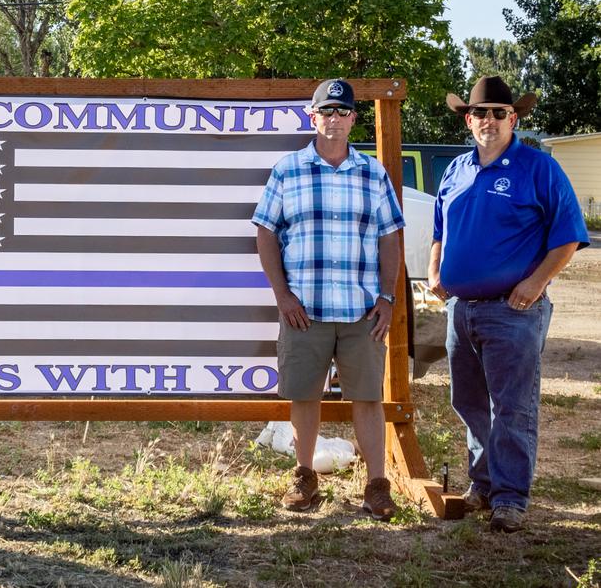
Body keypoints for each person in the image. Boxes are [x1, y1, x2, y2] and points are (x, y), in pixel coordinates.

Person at [427, 75, 588, 533]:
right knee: (470, 402)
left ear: (513, 118)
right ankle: (482, 485)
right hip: (462, 309)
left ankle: (511, 498)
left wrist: (536, 283)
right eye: (480, 112)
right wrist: (435, 271)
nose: (489, 120)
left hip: (513, 311)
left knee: (512, 406)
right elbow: (439, 229)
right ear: (468, 120)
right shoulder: (456, 169)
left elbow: (570, 236)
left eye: (499, 113)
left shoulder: (538, 168)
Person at [252, 78, 405, 521]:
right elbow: (265, 232)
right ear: (311, 116)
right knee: (304, 396)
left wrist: (387, 298)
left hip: (361, 310)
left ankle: (377, 486)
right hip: (305, 310)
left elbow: (390, 236)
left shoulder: (372, 172)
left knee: (367, 398)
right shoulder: (288, 170)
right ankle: (304, 477)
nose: (334, 119)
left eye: (343, 112)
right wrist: (282, 295)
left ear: (354, 119)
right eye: (327, 111)